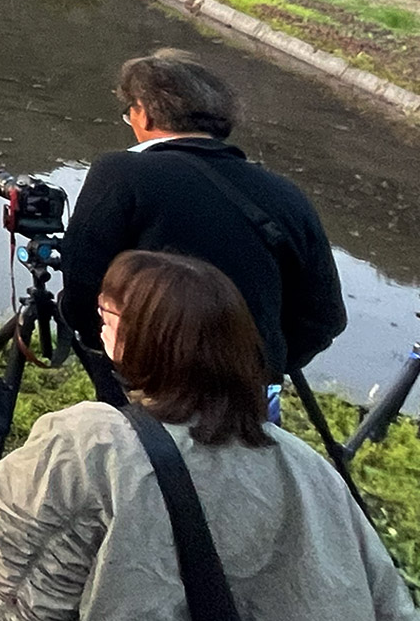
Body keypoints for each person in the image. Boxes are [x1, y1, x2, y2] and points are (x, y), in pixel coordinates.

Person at [0, 251, 420, 621]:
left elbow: (40, 577)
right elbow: (383, 602)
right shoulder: (302, 463)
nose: (99, 328)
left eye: (109, 316)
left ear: (153, 339)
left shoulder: (92, 442)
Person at [59, 49, 346, 403]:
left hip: (148, 382)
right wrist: (254, 363)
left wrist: (116, 349)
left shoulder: (121, 173)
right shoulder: (285, 193)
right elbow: (325, 317)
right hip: (250, 395)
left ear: (144, 114)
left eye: (129, 111)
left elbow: (82, 283)